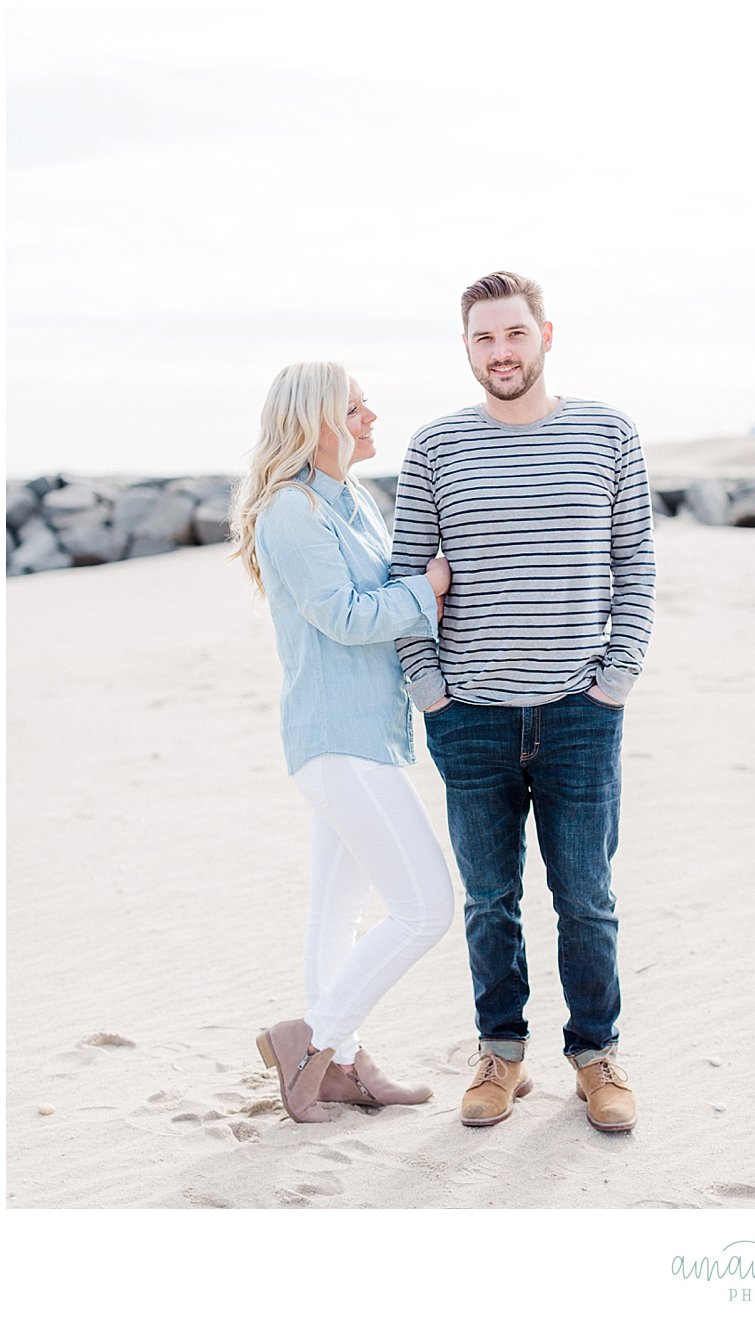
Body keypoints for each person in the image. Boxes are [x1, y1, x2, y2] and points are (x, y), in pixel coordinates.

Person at [390, 271, 656, 1131]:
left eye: (513, 334)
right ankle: (500, 1053)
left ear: (546, 334)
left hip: (581, 712)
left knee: (585, 894)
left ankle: (596, 1055)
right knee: (488, 897)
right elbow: (406, 582)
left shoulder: (608, 433)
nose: (500, 352)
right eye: (482, 339)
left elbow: (636, 568)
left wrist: (613, 680)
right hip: (469, 717)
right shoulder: (433, 449)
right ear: (466, 347)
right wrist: (431, 692)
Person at [229, 362, 456, 1123]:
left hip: (369, 737)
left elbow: (372, 599)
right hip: (338, 741)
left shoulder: (352, 500)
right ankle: (311, 1038)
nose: (370, 416)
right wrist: (431, 588)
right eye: (354, 408)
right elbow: (346, 616)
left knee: (336, 914)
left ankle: (342, 1066)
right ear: (316, 422)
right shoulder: (291, 512)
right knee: (426, 907)